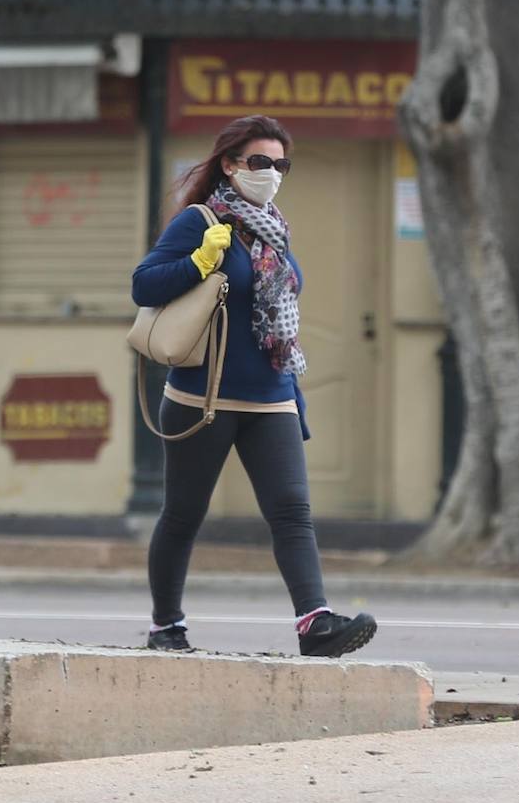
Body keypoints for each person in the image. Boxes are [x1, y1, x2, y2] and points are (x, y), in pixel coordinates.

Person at [131, 114, 376, 657]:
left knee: (292, 511)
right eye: (259, 162)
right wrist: (199, 261)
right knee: (183, 514)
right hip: (204, 398)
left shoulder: (274, 226)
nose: (271, 173)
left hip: (272, 396)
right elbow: (143, 285)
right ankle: (165, 626)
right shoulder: (201, 221)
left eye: (280, 164)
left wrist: (294, 398)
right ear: (230, 164)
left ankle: (314, 625)